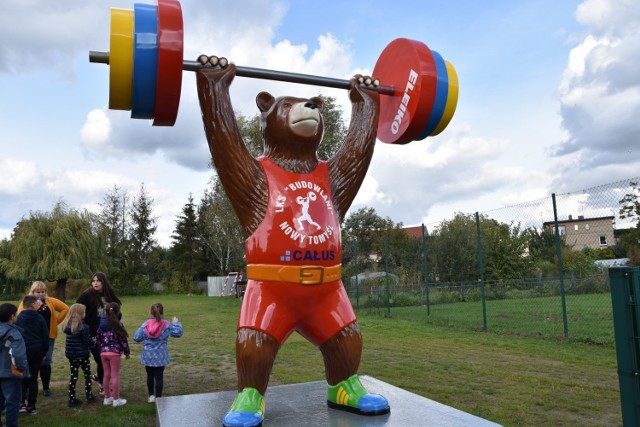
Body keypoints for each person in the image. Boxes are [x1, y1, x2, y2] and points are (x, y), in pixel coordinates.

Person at [17, 281, 69, 397]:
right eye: (38, 291)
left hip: (48, 336)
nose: (41, 294)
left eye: (43, 291)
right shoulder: (26, 302)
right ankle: (29, 387)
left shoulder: (50, 301)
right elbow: (20, 317)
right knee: (30, 363)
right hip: (32, 337)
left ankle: (46, 387)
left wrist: (56, 322)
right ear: (33, 291)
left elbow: (65, 308)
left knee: (46, 361)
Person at [75, 272, 121, 394]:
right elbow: (76, 309)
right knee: (101, 360)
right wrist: (82, 324)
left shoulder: (108, 294)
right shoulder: (86, 295)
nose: (95, 283)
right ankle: (102, 385)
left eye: (98, 281)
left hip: (107, 333)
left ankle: (99, 377)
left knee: (106, 359)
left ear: (103, 282)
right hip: (92, 333)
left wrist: (116, 320)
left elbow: (116, 309)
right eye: (93, 280)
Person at [133, 303, 183, 403]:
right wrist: (176, 323)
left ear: (150, 312)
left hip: (148, 356)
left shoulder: (145, 324)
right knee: (159, 377)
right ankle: (159, 398)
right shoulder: (167, 324)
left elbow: (137, 338)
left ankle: (151, 396)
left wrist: (142, 329)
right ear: (162, 312)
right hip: (160, 355)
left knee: (150, 376)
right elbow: (178, 333)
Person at [15, 295, 48, 415]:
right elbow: (45, 336)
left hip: (23, 350)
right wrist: (45, 351)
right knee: (33, 377)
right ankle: (32, 405)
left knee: (22, 377)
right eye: (37, 303)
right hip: (37, 350)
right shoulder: (39, 318)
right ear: (33, 305)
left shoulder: (18, 318)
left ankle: (21, 403)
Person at [60, 304, 97, 407]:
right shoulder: (84, 327)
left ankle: (71, 399)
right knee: (87, 375)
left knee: (73, 376)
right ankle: (89, 396)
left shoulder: (67, 326)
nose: (85, 314)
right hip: (82, 355)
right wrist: (93, 342)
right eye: (84, 312)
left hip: (72, 356)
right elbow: (86, 341)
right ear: (80, 314)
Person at [0, 303, 29, 427]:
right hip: (10, 373)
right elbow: (18, 355)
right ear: (12, 316)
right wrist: (22, 369)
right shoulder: (14, 333)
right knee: (13, 403)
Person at [96, 303, 130, 407]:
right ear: (117, 312)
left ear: (105, 312)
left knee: (106, 375)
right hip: (114, 353)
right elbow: (123, 340)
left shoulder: (101, 325)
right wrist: (127, 352)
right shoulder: (118, 325)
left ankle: (107, 398)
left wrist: (100, 349)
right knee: (115, 376)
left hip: (103, 353)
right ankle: (116, 399)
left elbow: (98, 339)